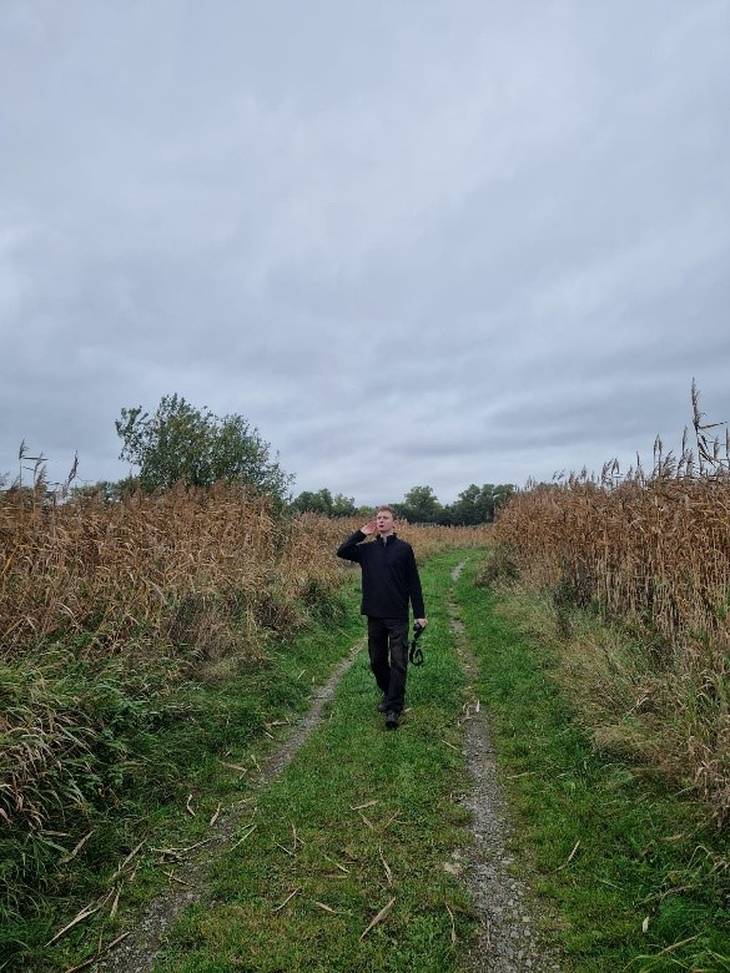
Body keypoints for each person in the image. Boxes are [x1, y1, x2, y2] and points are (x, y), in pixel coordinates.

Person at [336, 506, 427, 730]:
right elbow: (342, 551)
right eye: (378, 518)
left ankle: (393, 708)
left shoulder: (404, 549)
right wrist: (361, 533)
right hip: (374, 614)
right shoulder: (367, 550)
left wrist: (420, 614)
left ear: (394, 523)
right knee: (377, 661)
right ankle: (390, 692)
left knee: (398, 661)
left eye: (385, 517)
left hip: (397, 615)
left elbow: (413, 583)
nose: (381, 520)